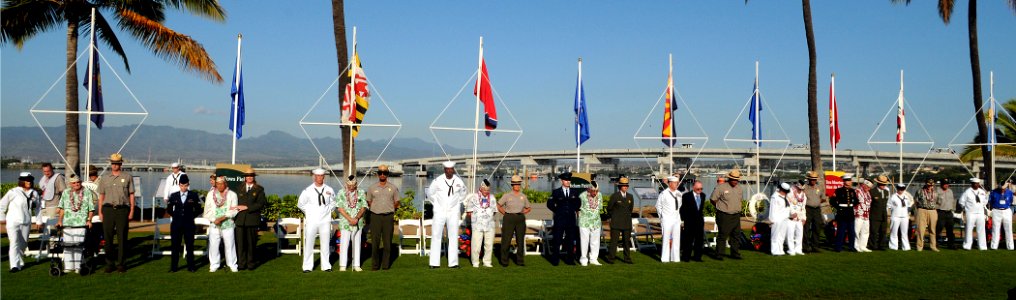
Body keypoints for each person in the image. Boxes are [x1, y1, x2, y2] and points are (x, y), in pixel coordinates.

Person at [97, 153, 134, 273]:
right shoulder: (105, 178)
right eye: (113, 163)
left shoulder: (128, 177)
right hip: (107, 209)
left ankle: (121, 264)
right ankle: (110, 263)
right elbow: (101, 196)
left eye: (117, 163)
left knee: (122, 237)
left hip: (122, 209)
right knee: (107, 238)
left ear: (121, 164)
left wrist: (132, 210)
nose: (115, 165)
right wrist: (100, 212)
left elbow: (132, 194)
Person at [426, 161, 466, 269]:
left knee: (453, 236)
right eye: (447, 169)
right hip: (440, 211)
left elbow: (463, 195)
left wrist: (456, 203)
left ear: (453, 170)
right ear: (444, 170)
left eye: (451, 169)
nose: (449, 171)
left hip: (453, 212)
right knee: (436, 235)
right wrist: (437, 203)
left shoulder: (459, 181)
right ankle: (434, 263)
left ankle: (453, 263)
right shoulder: (437, 180)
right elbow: (430, 193)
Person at [297, 169, 335, 273]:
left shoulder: (329, 189)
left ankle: (326, 266)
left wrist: (328, 211)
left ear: (324, 177)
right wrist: (309, 212)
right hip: (312, 220)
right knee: (309, 242)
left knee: (325, 243)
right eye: (317, 176)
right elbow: (300, 204)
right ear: (314, 177)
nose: (319, 178)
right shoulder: (307, 190)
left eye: (321, 176)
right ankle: (307, 266)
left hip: (325, 220)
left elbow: (333, 203)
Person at [55, 175, 95, 274]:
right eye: (74, 183)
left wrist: (89, 220)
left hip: (81, 223)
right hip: (67, 223)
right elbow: (62, 208)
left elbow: (91, 208)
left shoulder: (87, 192)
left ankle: (78, 266)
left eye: (78, 182)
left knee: (78, 245)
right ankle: (68, 266)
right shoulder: (65, 192)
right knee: (67, 245)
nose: (76, 184)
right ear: (70, 184)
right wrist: (60, 220)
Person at [1, 172, 39, 273]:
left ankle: (20, 261)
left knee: (23, 244)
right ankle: (14, 266)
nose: (29, 182)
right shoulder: (13, 192)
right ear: (22, 181)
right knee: (14, 242)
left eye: (30, 180)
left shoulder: (34, 193)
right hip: (12, 221)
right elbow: (2, 205)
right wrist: (2, 218)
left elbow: (38, 208)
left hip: (26, 221)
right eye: (27, 180)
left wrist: (39, 221)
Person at [163, 174, 201, 272]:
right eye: (182, 185)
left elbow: (198, 209)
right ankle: (174, 267)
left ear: (188, 185)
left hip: (189, 224)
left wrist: (191, 216)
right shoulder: (174, 195)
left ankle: (191, 266)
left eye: (185, 185)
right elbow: (169, 210)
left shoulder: (193, 195)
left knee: (189, 246)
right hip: (176, 225)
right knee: (175, 246)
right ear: (179, 185)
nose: (183, 187)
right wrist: (176, 216)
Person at [367, 165, 400, 271]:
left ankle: (386, 265)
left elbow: (397, 202)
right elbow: (369, 201)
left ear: (387, 174)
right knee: (375, 242)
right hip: (375, 216)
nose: (382, 175)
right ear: (377, 174)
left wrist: (390, 208)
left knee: (387, 243)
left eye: (384, 173)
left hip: (388, 217)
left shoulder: (393, 188)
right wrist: (376, 208)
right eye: (380, 172)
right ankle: (375, 265)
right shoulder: (372, 187)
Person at [234, 167, 266, 271]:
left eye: (251, 176)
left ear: (254, 177)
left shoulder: (259, 189)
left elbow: (261, 204)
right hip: (240, 220)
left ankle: (251, 264)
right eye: (247, 176)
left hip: (252, 220)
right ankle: (241, 264)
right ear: (245, 178)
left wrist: (248, 207)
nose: (249, 178)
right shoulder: (239, 188)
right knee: (240, 243)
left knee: (251, 244)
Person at [205, 177, 239, 272]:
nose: (220, 185)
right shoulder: (210, 194)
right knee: (214, 245)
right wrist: (214, 219)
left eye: (222, 183)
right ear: (215, 184)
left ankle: (232, 264)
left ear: (226, 184)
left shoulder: (232, 194)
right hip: (214, 224)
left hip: (228, 223)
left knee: (230, 245)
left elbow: (234, 210)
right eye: (218, 183)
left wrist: (222, 218)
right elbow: (206, 211)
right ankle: (214, 265)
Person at [547, 172, 580, 265]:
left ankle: (570, 260)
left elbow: (578, 203)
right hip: (560, 219)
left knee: (570, 240)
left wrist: (574, 209)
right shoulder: (556, 192)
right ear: (562, 181)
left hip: (570, 219)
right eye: (566, 180)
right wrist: (556, 210)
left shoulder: (574, 192)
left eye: (569, 180)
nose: (568, 181)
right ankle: (555, 260)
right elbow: (549, 203)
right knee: (557, 240)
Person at [710, 170, 745, 260]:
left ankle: (735, 253)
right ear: (729, 178)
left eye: (737, 180)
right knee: (723, 235)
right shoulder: (720, 187)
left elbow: (740, 200)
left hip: (736, 215)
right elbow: (713, 199)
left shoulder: (739, 188)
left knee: (736, 235)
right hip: (724, 215)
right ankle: (719, 254)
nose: (735, 181)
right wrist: (719, 207)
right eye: (733, 179)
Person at [498, 175, 531, 267]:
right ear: (512, 185)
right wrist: (505, 213)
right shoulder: (507, 195)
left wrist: (524, 212)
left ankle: (520, 261)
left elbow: (529, 207)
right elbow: (498, 205)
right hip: (509, 218)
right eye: (516, 184)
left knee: (520, 240)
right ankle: (504, 261)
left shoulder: (523, 196)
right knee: (506, 240)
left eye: (519, 184)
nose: (517, 186)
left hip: (520, 218)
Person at [337, 175, 368, 271]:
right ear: (346, 184)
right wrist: (350, 219)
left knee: (357, 243)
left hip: (358, 222)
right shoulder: (341, 192)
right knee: (344, 243)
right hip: (345, 222)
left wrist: (357, 218)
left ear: (356, 184)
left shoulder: (361, 192)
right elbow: (340, 208)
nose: (351, 187)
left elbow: (364, 206)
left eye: (353, 185)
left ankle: (356, 264)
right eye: (349, 185)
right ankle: (343, 265)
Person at [466, 179, 497, 268]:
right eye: (485, 190)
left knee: (489, 244)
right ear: (480, 188)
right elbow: (469, 212)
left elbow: (494, 211)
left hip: (489, 225)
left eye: (488, 190)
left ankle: (487, 262)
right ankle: (475, 262)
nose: (486, 192)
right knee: (476, 244)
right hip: (477, 225)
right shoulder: (473, 197)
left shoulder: (492, 198)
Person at [606, 176, 635, 264]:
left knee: (626, 242)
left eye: (626, 185)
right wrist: (614, 217)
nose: (625, 187)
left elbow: (630, 209)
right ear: (620, 186)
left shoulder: (630, 196)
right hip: (616, 222)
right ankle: (611, 258)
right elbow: (609, 208)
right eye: (623, 185)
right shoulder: (615, 196)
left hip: (626, 223)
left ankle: (627, 259)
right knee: (614, 242)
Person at [656, 176, 682, 262]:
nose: (676, 184)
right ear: (670, 183)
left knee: (676, 239)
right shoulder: (664, 194)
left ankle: (675, 258)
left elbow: (679, 206)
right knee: (666, 239)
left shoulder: (679, 193)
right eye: (675, 183)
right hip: (667, 219)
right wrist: (662, 217)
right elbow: (658, 206)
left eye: (677, 183)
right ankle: (665, 258)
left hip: (676, 219)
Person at [680, 181, 707, 262]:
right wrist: (685, 220)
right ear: (693, 188)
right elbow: (683, 210)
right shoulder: (686, 196)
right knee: (688, 240)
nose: (700, 190)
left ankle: (697, 257)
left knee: (699, 241)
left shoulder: (703, 195)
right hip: (689, 222)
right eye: (698, 189)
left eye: (701, 188)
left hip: (699, 222)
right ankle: (686, 257)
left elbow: (700, 209)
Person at [831, 175, 859, 252]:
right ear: (844, 182)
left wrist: (853, 205)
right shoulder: (839, 191)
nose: (849, 182)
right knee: (841, 231)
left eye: (850, 180)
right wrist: (838, 207)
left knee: (851, 232)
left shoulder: (852, 191)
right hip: (842, 213)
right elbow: (832, 201)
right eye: (847, 180)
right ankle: (838, 247)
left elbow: (856, 201)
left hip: (850, 212)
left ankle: (851, 247)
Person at [578, 181, 603, 266]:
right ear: (588, 189)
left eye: (596, 191)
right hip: (584, 222)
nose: (595, 193)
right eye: (593, 191)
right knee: (584, 241)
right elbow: (578, 210)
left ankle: (593, 259)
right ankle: (583, 259)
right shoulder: (582, 196)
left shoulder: (600, 195)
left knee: (595, 241)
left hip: (596, 222)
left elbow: (600, 207)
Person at [959, 178, 989, 250]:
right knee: (969, 229)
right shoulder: (967, 192)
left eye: (978, 183)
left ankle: (982, 246)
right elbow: (961, 202)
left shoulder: (982, 192)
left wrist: (981, 206)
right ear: (972, 184)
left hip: (980, 213)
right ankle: (967, 246)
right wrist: (966, 209)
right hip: (971, 213)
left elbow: (985, 201)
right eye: (975, 183)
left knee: (981, 230)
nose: (977, 185)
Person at [802, 171, 827, 253]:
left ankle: (815, 246)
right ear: (809, 179)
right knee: (806, 228)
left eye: (814, 179)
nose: (813, 181)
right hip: (807, 209)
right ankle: (805, 247)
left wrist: (816, 202)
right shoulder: (804, 187)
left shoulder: (820, 187)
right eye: (812, 179)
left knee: (817, 227)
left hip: (817, 209)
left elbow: (823, 198)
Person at [912, 179, 939, 252]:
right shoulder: (920, 191)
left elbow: (939, 202)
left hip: (932, 211)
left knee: (932, 230)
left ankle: (933, 246)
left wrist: (935, 208)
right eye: (929, 184)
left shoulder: (936, 192)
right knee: (920, 229)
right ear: (926, 183)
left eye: (931, 184)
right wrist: (919, 209)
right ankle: (919, 246)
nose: (930, 186)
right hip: (922, 210)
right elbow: (915, 201)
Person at [988, 181, 1013, 250]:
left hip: (1006, 210)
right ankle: (994, 246)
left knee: (1008, 229)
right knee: (995, 229)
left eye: (1004, 188)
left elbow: (1010, 201)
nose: (1002, 190)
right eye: (1001, 188)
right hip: (996, 210)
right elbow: (991, 201)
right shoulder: (993, 192)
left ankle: (1010, 247)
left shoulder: (1009, 192)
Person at [868, 175, 891, 251]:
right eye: (882, 184)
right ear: (878, 183)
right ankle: (872, 245)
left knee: (883, 231)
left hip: (883, 215)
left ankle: (882, 246)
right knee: (874, 232)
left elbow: (887, 204)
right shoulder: (872, 191)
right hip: (874, 215)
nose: (883, 186)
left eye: (884, 184)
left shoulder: (886, 192)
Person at [769, 183, 792, 256]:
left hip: (785, 218)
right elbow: (772, 209)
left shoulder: (785, 197)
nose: (785, 193)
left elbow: (787, 208)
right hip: (777, 219)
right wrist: (772, 220)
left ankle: (780, 250)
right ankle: (774, 250)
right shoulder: (775, 197)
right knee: (775, 235)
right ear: (781, 189)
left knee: (782, 236)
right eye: (785, 191)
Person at [935, 179, 958, 249]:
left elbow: (953, 200)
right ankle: (935, 243)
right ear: (941, 184)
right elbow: (934, 201)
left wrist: (953, 210)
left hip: (949, 212)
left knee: (950, 230)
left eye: (947, 184)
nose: (946, 185)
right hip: (941, 212)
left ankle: (951, 244)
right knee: (938, 229)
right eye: (945, 184)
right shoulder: (937, 191)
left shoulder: (950, 191)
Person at [888, 183, 912, 251]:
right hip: (895, 216)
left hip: (904, 217)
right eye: (899, 189)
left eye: (902, 189)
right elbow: (888, 206)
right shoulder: (893, 197)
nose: (900, 191)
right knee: (894, 232)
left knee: (904, 233)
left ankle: (906, 247)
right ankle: (893, 247)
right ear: (897, 189)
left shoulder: (906, 196)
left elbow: (909, 205)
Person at [786, 180, 808, 256]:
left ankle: (798, 249)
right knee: (790, 234)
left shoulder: (803, 195)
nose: (800, 190)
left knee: (799, 234)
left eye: (802, 188)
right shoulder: (790, 193)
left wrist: (804, 218)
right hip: (791, 216)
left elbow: (803, 207)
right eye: (799, 188)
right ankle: (791, 250)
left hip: (800, 216)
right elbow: (788, 205)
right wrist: (792, 213)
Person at [853, 179, 874, 253]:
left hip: (866, 215)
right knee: (857, 231)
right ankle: (856, 246)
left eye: (869, 188)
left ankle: (863, 246)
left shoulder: (868, 193)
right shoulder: (857, 191)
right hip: (858, 214)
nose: (869, 189)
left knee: (865, 231)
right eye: (868, 187)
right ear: (864, 185)